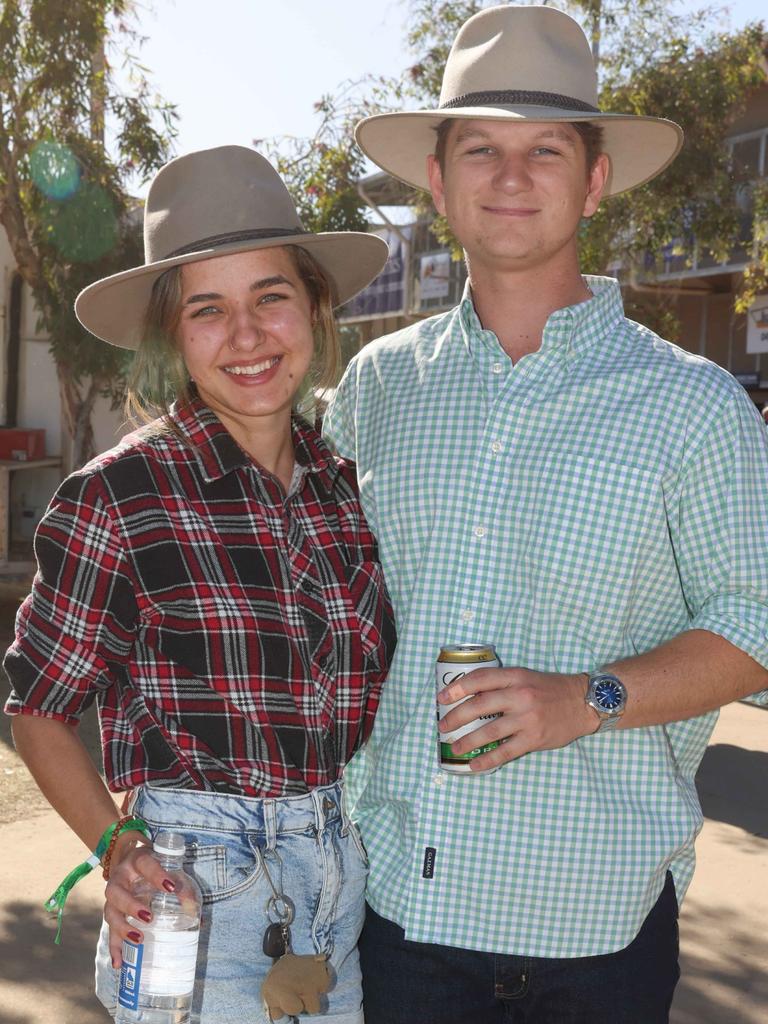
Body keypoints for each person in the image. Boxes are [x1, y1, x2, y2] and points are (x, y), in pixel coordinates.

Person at [323, 6, 768, 1023]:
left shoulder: (694, 403)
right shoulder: (376, 388)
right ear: (438, 181)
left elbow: (756, 621)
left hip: (595, 935)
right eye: (481, 147)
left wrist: (588, 697)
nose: (511, 176)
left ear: (596, 179)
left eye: (546, 149)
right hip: (396, 914)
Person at [4, 145, 395, 1024]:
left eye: (272, 298)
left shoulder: (343, 487)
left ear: (316, 308)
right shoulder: (116, 496)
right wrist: (115, 843)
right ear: (172, 338)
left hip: (337, 890)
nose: (247, 336)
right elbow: (37, 707)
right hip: (194, 895)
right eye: (208, 311)